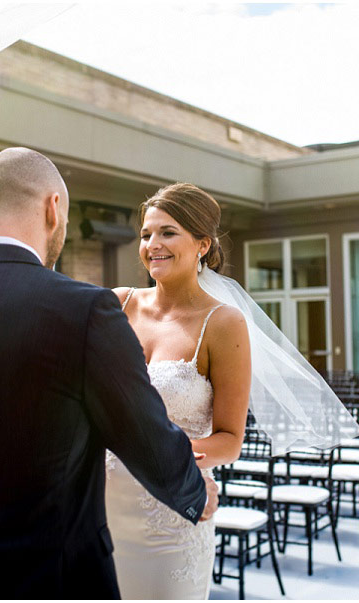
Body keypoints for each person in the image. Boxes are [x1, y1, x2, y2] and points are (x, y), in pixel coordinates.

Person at [0, 149, 218, 599]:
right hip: (51, 580)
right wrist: (194, 491)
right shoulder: (86, 310)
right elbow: (142, 429)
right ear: (53, 208)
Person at [106, 183, 251, 599]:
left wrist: (171, 457)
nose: (153, 244)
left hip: (170, 519)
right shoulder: (116, 305)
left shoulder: (223, 324)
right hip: (101, 512)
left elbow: (230, 440)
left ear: (202, 244)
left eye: (168, 232)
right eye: (146, 234)